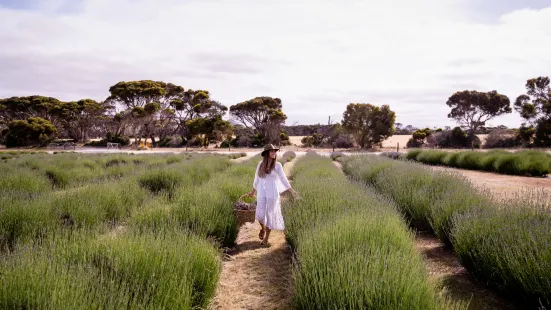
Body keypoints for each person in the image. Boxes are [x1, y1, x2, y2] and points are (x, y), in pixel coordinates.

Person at [248, 144, 297, 246]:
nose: (274, 153)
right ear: (266, 153)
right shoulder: (260, 164)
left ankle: (266, 239)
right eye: (271, 151)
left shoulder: (277, 165)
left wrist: (292, 192)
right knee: (260, 215)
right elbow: (256, 179)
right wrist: (253, 191)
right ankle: (262, 228)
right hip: (261, 193)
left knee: (270, 216)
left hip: (272, 194)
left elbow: (284, 179)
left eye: (275, 151)